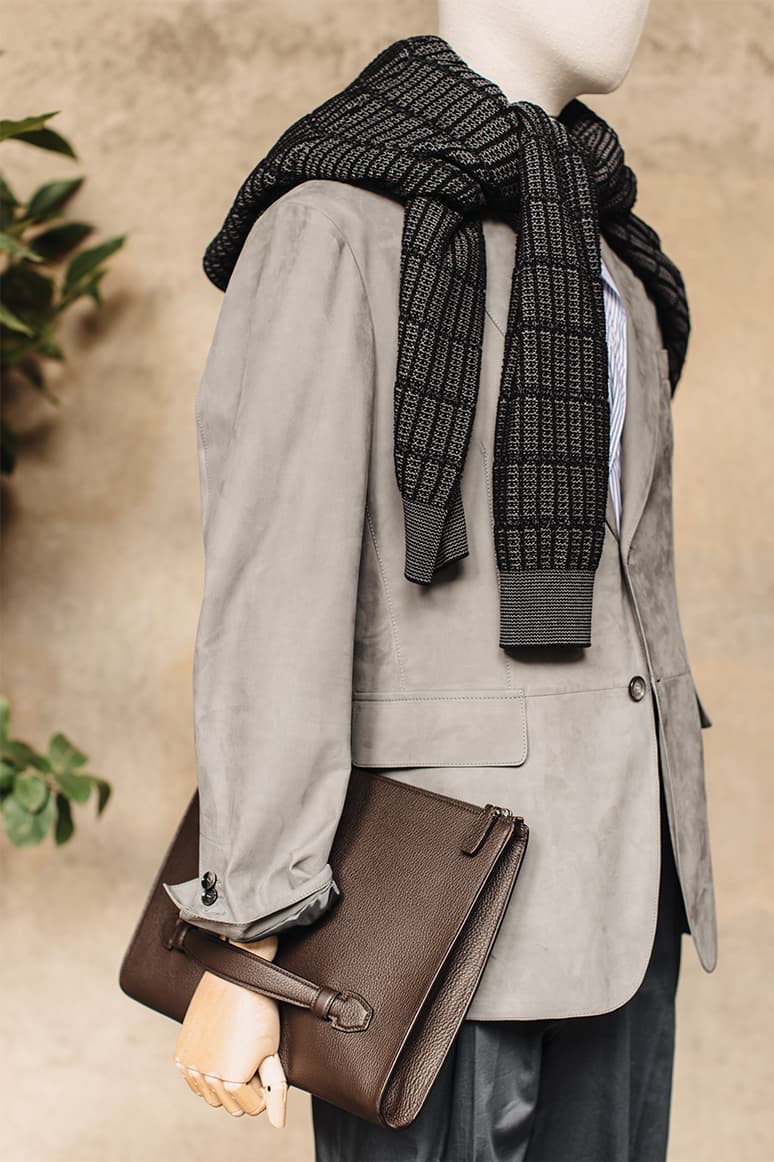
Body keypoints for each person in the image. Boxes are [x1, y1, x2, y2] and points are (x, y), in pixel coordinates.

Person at [163, 9, 717, 1160]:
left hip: (628, 883)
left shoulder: (612, 253)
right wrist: (246, 940)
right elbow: (278, 594)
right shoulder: (330, 227)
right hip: (431, 905)